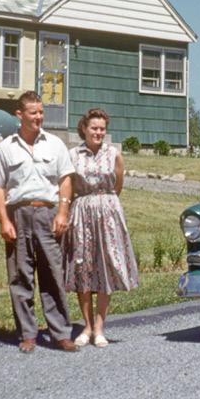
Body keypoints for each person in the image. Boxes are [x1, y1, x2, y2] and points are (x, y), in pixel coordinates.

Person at [0, 91, 78, 353]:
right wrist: (4, 221)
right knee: (20, 276)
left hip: (48, 214)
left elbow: (65, 180)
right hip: (18, 215)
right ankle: (28, 333)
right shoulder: (5, 148)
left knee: (53, 275)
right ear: (19, 114)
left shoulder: (55, 144)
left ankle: (61, 333)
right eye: (33, 112)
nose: (38, 117)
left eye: (41, 112)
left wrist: (62, 212)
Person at [65, 109, 140, 348]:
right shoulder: (72, 155)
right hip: (82, 211)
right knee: (83, 267)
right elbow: (68, 185)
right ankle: (86, 326)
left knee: (106, 266)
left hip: (108, 212)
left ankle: (99, 327)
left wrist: (104, 205)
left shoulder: (114, 154)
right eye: (94, 128)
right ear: (84, 128)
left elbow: (118, 186)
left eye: (102, 129)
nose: (98, 133)